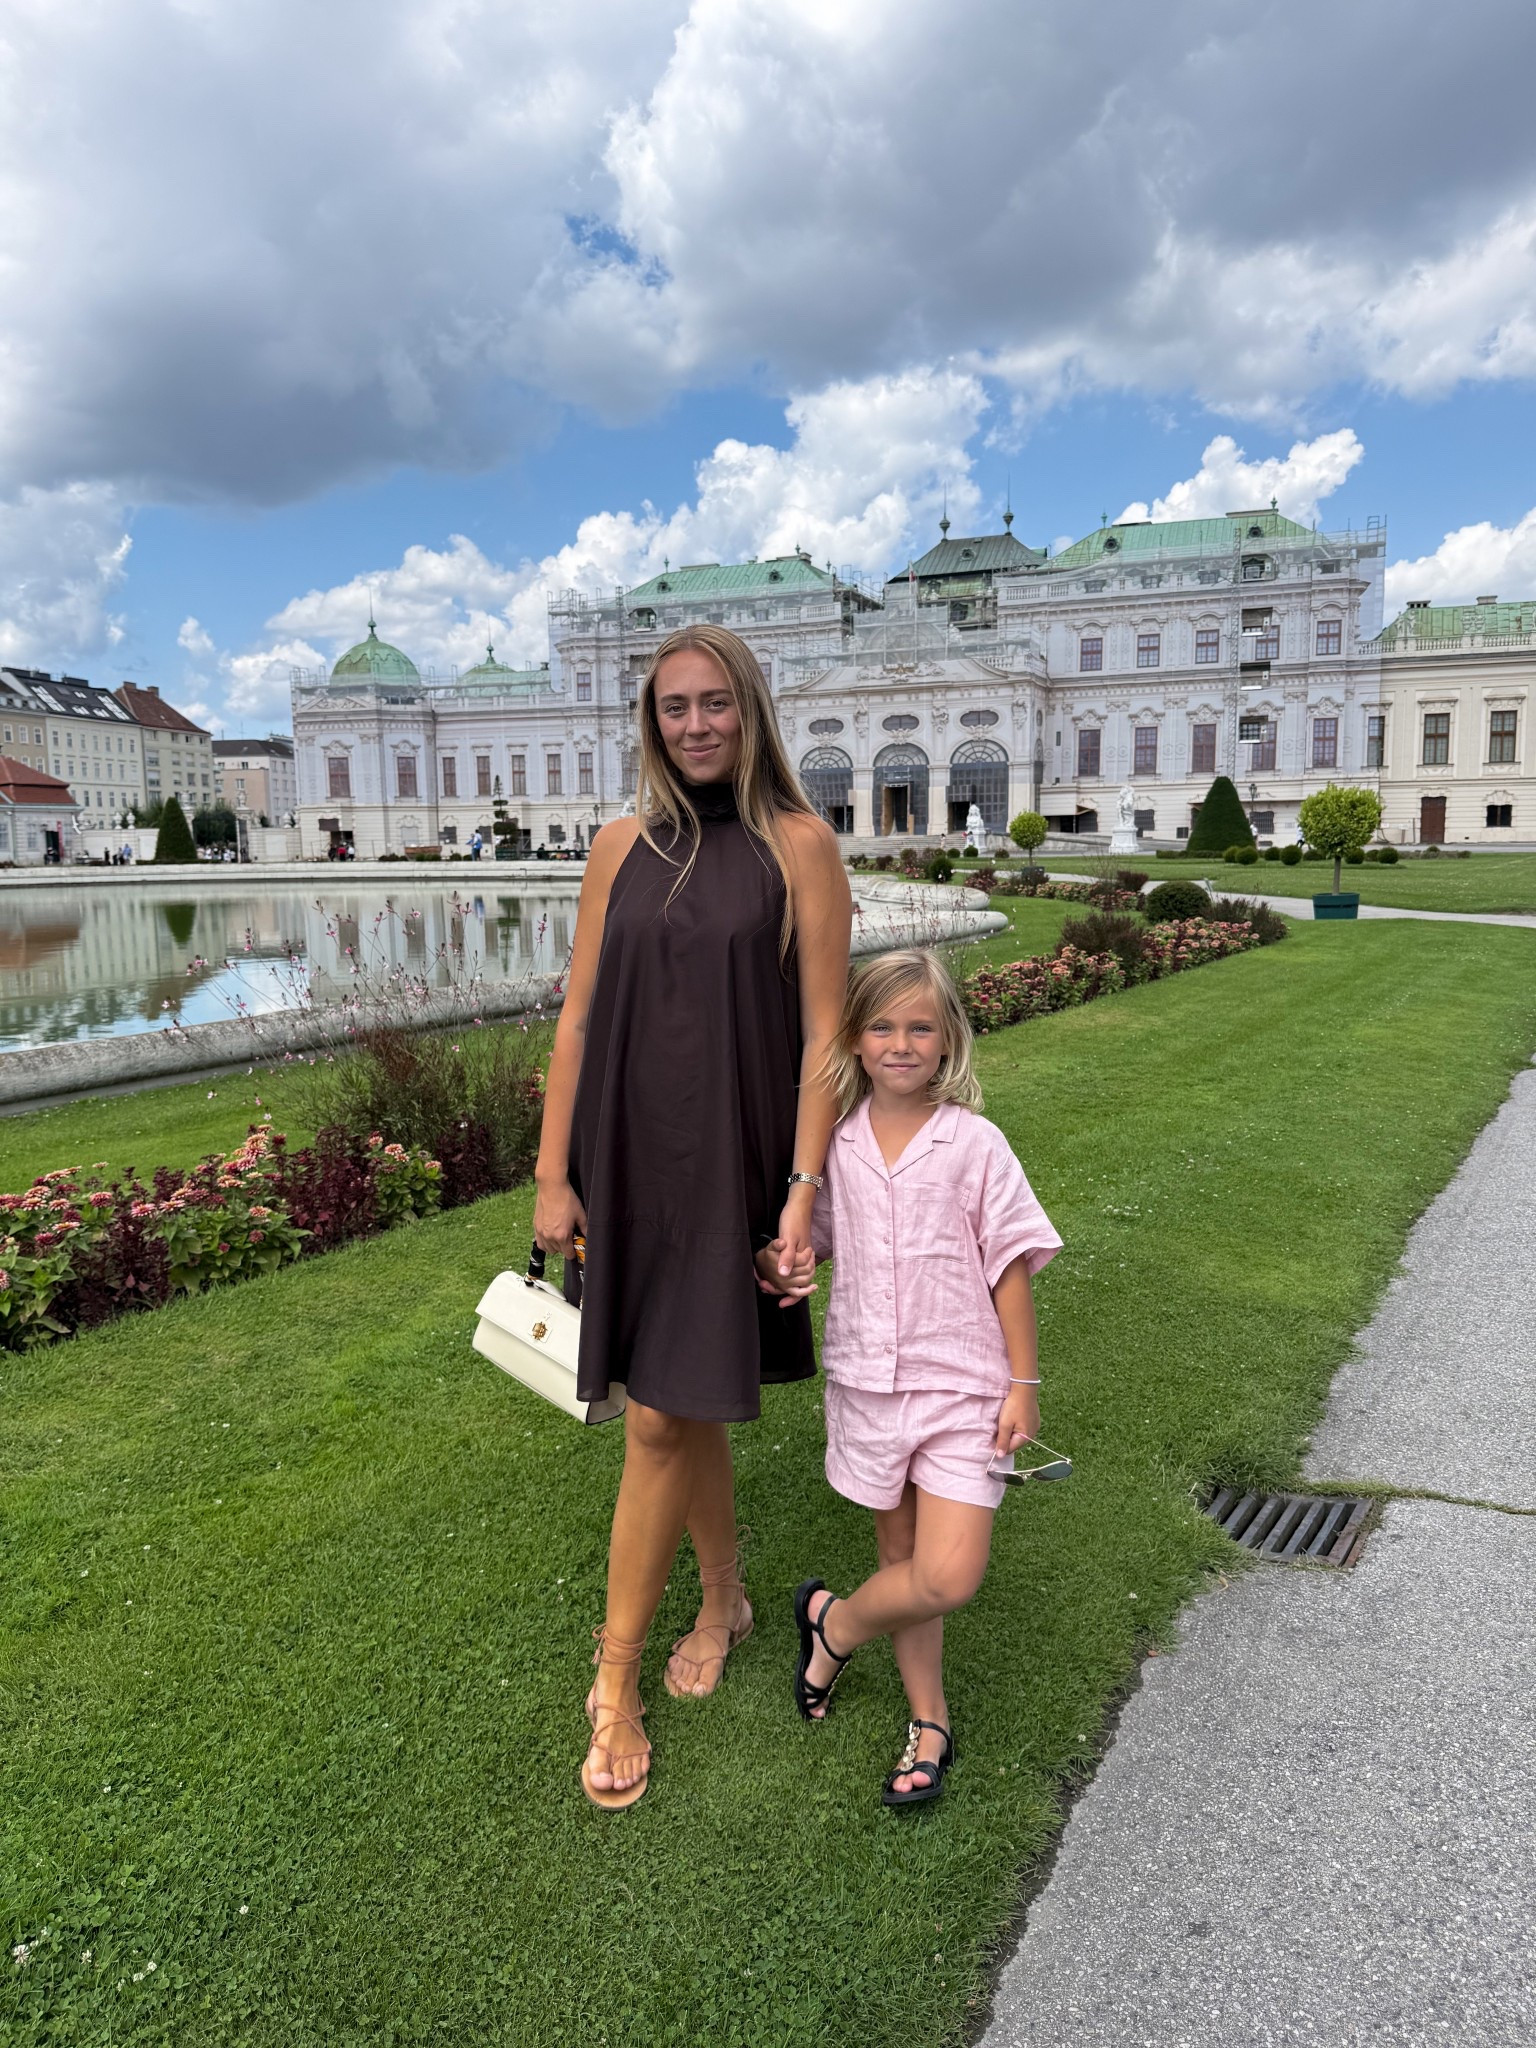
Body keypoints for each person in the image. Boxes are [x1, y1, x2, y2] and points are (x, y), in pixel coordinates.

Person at [534, 623, 852, 1810]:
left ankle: (614, 1677)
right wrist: (552, 1170)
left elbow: (824, 1037)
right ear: (651, 722)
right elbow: (578, 1016)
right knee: (680, 1391)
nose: (696, 724)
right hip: (626, 1157)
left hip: (733, 1159)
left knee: (664, 1409)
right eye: (674, 707)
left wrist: (803, 1191)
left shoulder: (800, 844)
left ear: (750, 710)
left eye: (715, 702)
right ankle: (722, 1598)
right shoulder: (619, 845)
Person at [790, 949, 1061, 1807]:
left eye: (919, 1027)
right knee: (902, 1560)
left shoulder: (974, 1144)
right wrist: (779, 1260)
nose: (900, 1044)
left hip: (965, 1388)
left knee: (949, 1575)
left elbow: (1007, 1264)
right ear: (854, 1040)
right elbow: (812, 1242)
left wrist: (1024, 1385)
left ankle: (834, 1625)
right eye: (881, 1026)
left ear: (947, 1040)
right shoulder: (835, 1146)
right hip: (869, 1386)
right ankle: (928, 1720)